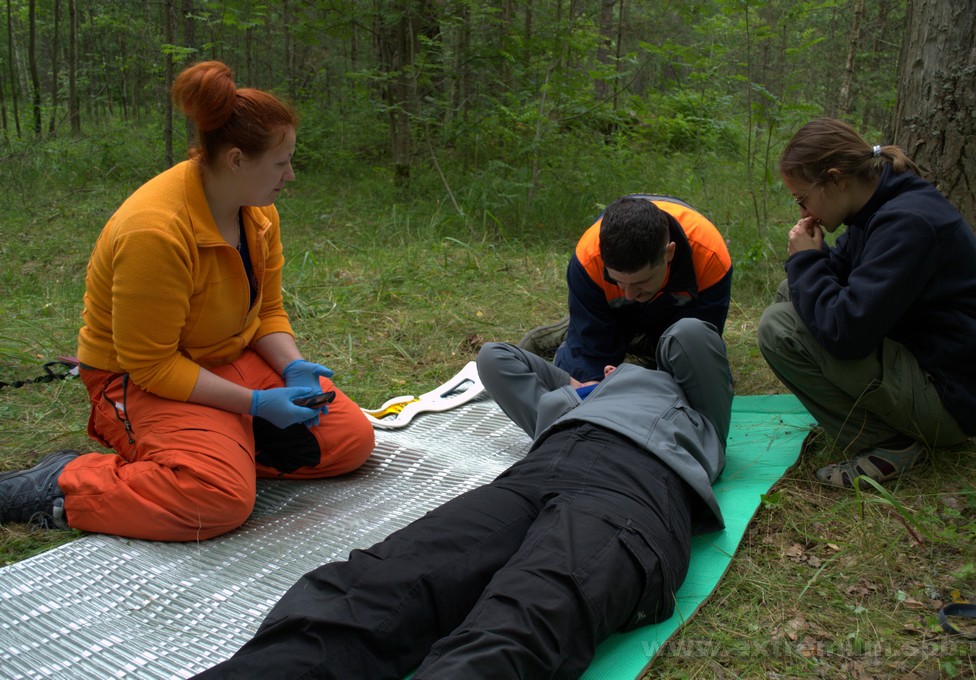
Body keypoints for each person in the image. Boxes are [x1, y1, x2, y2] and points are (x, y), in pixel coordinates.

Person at [192, 317, 733, 679]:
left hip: (635, 484)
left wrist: (635, 373)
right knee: (379, 585)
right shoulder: (566, 401)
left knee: (522, 618)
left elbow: (690, 336)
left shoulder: (698, 413)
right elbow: (498, 359)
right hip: (534, 474)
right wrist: (585, 387)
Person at [0, 61, 375, 540]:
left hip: (223, 358)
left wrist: (292, 366)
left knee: (348, 441)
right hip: (138, 381)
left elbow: (266, 312)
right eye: (281, 163)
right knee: (214, 501)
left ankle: (220, 442)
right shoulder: (155, 232)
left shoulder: (257, 213)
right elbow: (152, 366)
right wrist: (255, 404)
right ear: (236, 160)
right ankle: (62, 483)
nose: (291, 175)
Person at [757, 118, 976, 488]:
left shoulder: (906, 223)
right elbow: (838, 279)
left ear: (836, 179)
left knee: (778, 328)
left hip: (953, 399)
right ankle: (885, 428)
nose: (803, 212)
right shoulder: (876, 207)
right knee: (790, 293)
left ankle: (888, 445)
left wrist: (806, 260)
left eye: (802, 197)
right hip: (933, 366)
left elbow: (846, 333)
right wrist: (809, 264)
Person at [520, 194, 732, 383]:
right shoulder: (588, 259)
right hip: (612, 313)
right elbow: (590, 360)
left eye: (641, 281)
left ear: (669, 253)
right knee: (580, 373)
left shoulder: (709, 256)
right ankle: (577, 328)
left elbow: (701, 344)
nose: (629, 294)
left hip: (675, 315)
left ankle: (636, 338)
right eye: (619, 282)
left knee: (695, 373)